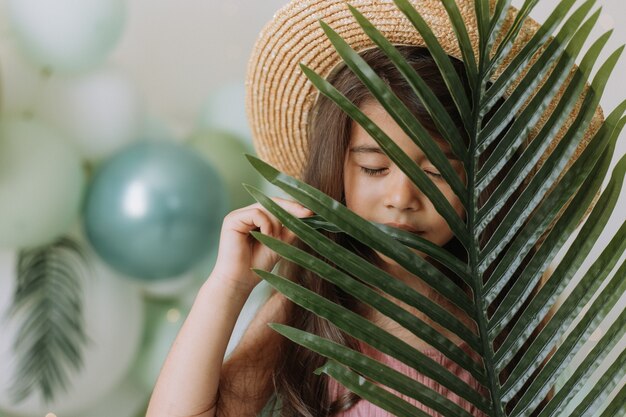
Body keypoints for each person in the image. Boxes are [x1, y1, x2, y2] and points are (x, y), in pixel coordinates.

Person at [146, 0, 602, 416]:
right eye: (375, 167)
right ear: (337, 169)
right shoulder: (315, 300)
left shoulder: (506, 315)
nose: (402, 198)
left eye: (439, 172)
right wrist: (229, 285)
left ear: (486, 180)